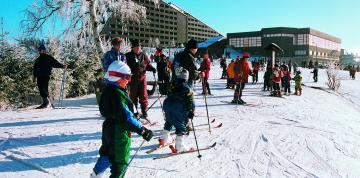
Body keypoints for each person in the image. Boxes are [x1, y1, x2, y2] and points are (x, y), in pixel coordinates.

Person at [90, 61, 154, 178]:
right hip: (119, 133)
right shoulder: (117, 94)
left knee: (108, 155)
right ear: (116, 76)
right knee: (120, 163)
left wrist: (134, 114)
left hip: (109, 128)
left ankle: (95, 175)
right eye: (127, 77)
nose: (129, 80)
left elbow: (121, 112)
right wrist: (142, 130)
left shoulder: (108, 90)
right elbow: (126, 117)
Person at [160, 67, 195, 153]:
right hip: (178, 110)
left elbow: (163, 90)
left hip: (167, 107)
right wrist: (191, 111)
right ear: (186, 77)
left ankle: (164, 138)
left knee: (169, 121)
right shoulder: (187, 88)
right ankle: (179, 145)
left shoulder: (172, 84)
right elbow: (191, 102)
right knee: (180, 125)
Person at [126, 40, 156, 119]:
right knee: (133, 96)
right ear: (132, 48)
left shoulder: (144, 55)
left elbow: (147, 64)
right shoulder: (128, 56)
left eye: (139, 47)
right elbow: (124, 66)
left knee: (143, 95)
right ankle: (134, 112)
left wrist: (152, 68)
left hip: (142, 78)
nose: (137, 49)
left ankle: (144, 111)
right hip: (132, 79)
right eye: (136, 47)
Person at [33, 44, 67, 109]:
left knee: (44, 88)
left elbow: (55, 63)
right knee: (41, 89)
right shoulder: (38, 60)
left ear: (44, 50)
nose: (40, 51)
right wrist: (34, 76)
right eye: (39, 50)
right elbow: (35, 69)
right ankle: (45, 102)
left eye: (42, 50)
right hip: (39, 76)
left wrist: (62, 66)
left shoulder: (48, 57)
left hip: (45, 75)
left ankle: (47, 103)